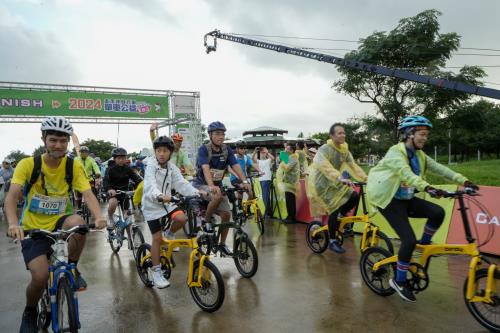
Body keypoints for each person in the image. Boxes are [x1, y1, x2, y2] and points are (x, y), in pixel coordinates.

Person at [4, 116, 106, 332]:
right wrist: (13, 224)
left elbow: (87, 194)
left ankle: (73, 268)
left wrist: (99, 217)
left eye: (63, 141)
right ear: (44, 139)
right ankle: (30, 310)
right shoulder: (28, 164)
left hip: (61, 221)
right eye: (53, 140)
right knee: (40, 277)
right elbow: (11, 197)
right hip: (33, 227)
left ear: (68, 141)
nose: (58, 145)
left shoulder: (73, 165)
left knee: (79, 223)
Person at [367, 115, 479, 302]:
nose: (425, 138)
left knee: (437, 212)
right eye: (422, 134)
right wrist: (427, 187)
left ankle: (424, 245)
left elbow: (441, 169)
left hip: (406, 197)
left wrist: (463, 180)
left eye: (426, 135)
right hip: (388, 200)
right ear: (410, 134)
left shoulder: (419, 155)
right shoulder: (396, 152)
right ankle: (399, 281)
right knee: (408, 240)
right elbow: (406, 174)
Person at [142, 136, 205, 288]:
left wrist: (197, 192)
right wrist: (159, 195)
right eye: (158, 151)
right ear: (155, 152)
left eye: (165, 151)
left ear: (170, 153)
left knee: (182, 219)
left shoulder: (172, 168)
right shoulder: (150, 165)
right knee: (156, 238)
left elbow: (182, 184)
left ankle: (169, 234)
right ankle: (156, 272)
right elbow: (150, 185)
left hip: (167, 202)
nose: (161, 154)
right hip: (152, 205)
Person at [307, 123, 368, 253]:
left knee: (354, 195)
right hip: (322, 184)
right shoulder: (324, 149)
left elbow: (353, 165)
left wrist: (366, 178)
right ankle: (333, 241)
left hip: (335, 181)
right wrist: (340, 178)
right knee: (333, 209)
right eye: (339, 133)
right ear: (332, 135)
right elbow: (325, 166)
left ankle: (340, 216)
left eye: (344, 133)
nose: (343, 135)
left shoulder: (344, 149)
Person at [193, 121, 251, 255]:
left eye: (223, 134)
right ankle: (206, 222)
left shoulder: (226, 150)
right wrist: (211, 185)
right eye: (217, 134)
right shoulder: (204, 149)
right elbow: (205, 168)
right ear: (210, 135)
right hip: (202, 185)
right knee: (217, 195)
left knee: (226, 215)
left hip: (217, 186)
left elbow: (236, 166)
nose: (221, 137)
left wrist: (244, 180)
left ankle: (222, 245)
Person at [103, 147, 143, 231]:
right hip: (113, 193)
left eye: (123, 158)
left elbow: (136, 178)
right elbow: (106, 180)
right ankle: (110, 218)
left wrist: (142, 184)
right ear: (114, 159)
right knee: (113, 203)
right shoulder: (109, 169)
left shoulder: (127, 168)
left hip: (124, 193)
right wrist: (109, 189)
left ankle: (130, 241)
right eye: (119, 158)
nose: (121, 160)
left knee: (127, 218)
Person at [277, 142, 300, 224]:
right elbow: (283, 159)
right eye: (286, 148)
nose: (285, 149)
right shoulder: (290, 157)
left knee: (290, 201)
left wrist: (282, 162)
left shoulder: (294, 158)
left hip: (291, 183)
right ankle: (289, 216)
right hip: (287, 182)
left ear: (292, 150)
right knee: (288, 200)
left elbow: (287, 168)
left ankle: (292, 218)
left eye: (287, 148)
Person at [252, 146, 275, 217]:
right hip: (261, 179)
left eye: (264, 153)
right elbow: (253, 158)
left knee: (265, 196)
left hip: (267, 179)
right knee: (266, 196)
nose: (263, 154)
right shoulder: (259, 161)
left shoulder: (268, 160)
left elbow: (273, 158)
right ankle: (269, 212)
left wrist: (266, 152)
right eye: (261, 153)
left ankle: (267, 212)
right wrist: (255, 151)